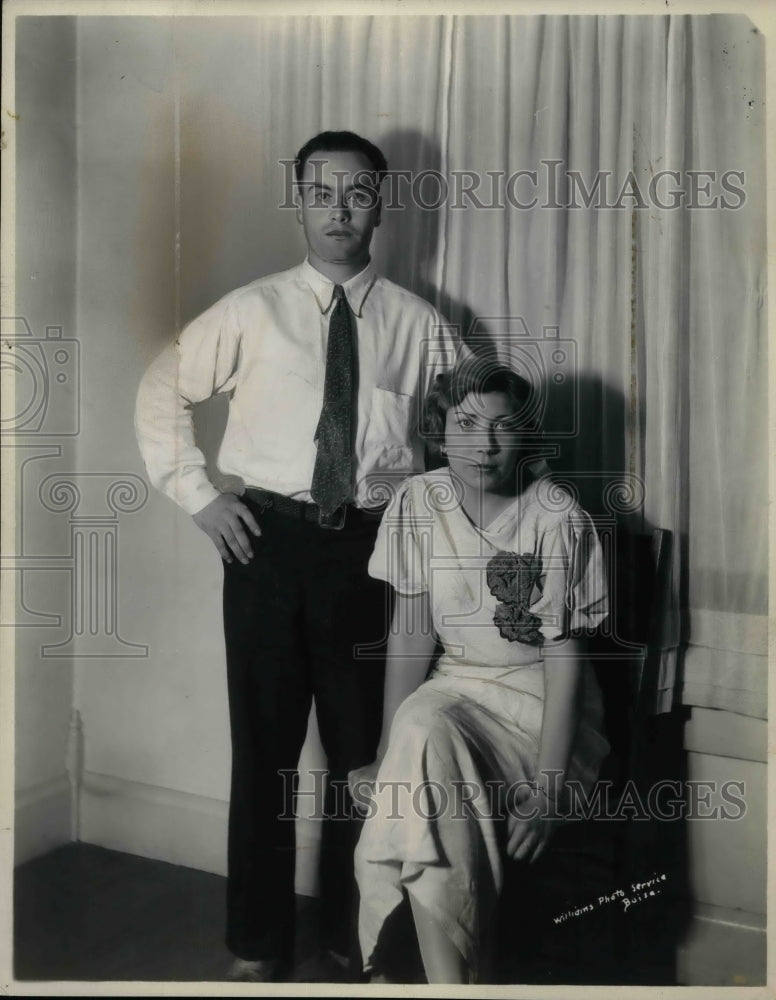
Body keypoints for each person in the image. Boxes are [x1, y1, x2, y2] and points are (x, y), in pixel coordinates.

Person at [134, 130, 459, 982]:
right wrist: (202, 497)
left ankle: (360, 939)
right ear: (302, 201)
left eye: (357, 193)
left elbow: (468, 436)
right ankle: (257, 943)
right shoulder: (250, 311)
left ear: (380, 205)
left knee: (366, 757)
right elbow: (160, 385)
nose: (340, 209)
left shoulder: (418, 325)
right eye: (323, 192)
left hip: (373, 551)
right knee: (266, 749)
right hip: (268, 550)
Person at [348, 358, 611, 984]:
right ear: (440, 431)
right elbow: (412, 633)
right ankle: (460, 980)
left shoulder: (557, 518)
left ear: (525, 436)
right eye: (466, 425)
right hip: (454, 690)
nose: (483, 444)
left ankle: (436, 978)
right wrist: (385, 749)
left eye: (503, 426)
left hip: (541, 711)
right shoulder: (417, 500)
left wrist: (549, 788)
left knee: (423, 750)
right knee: (420, 732)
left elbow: (564, 663)